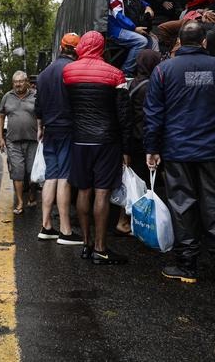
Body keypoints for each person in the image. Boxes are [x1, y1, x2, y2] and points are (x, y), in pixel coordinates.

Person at [145, 21, 215, 285]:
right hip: (212, 148)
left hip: (177, 149)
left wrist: (152, 148)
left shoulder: (163, 70)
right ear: (204, 42)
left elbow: (153, 114)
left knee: (182, 204)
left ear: (179, 41)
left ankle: (188, 266)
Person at [63, 31, 133, 264]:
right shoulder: (116, 74)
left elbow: (67, 108)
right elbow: (124, 114)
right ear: (102, 48)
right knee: (102, 192)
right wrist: (126, 148)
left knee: (83, 191)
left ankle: (86, 244)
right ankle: (101, 249)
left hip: (79, 140)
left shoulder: (68, 72)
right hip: (106, 140)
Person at [34, 33, 84, 245]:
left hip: (49, 130)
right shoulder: (72, 70)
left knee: (51, 177)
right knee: (64, 177)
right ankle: (65, 231)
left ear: (61, 48)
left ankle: (46, 227)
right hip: (66, 129)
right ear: (77, 49)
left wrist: (40, 127)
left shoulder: (43, 74)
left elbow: (38, 107)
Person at [114, 49, 162, 236]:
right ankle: (134, 222)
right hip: (145, 141)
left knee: (132, 184)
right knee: (144, 185)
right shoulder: (151, 86)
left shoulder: (131, 83)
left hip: (131, 140)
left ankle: (125, 219)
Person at [0, 70, 39, 214]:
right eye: (15, 82)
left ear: (27, 82)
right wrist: (0, 138)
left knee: (32, 172)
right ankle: (20, 202)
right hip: (13, 142)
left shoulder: (35, 95)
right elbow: (1, 117)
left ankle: (32, 194)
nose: (18, 85)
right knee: (17, 172)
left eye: (21, 81)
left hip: (33, 141)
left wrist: (42, 131)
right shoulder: (7, 97)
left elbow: (42, 116)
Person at [107, 0, 150, 76]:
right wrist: (134, 28)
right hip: (115, 31)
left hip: (120, 28)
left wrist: (147, 5)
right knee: (142, 41)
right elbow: (118, 15)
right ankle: (125, 73)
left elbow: (137, 1)